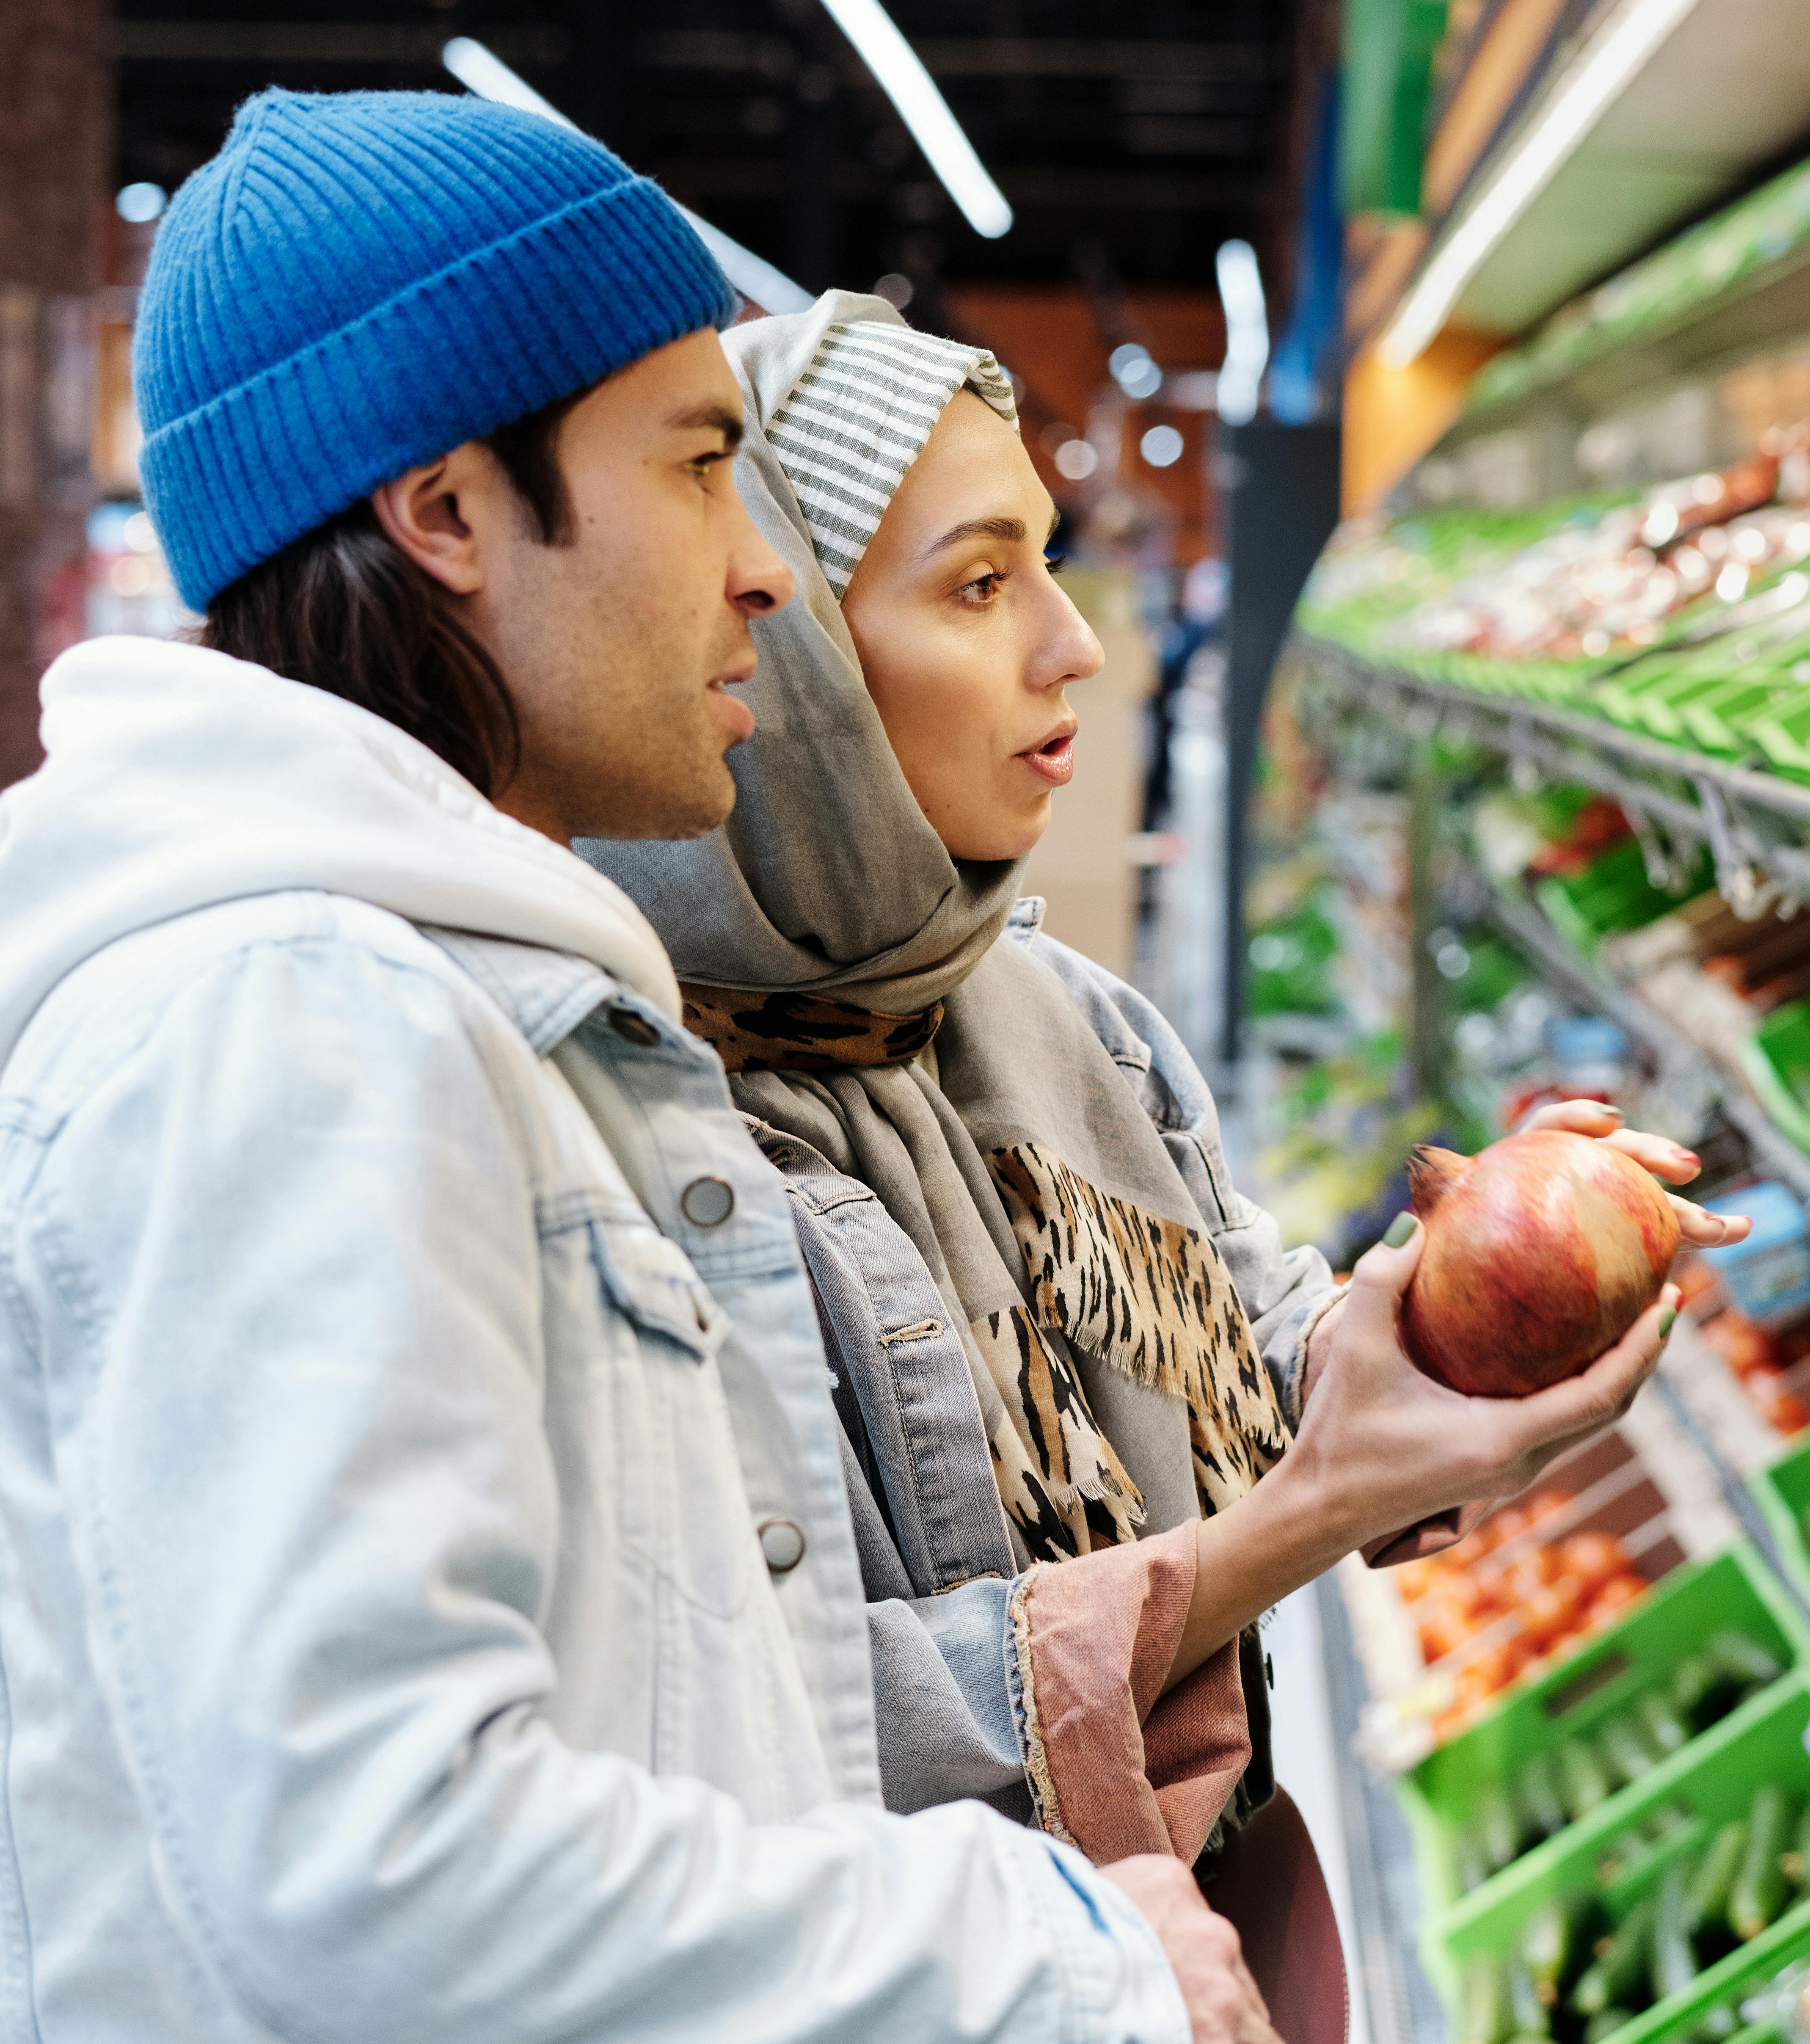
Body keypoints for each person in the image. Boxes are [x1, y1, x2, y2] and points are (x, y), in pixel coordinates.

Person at [0, 90, 1273, 2044]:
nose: (762, 572)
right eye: (702, 466)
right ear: (448, 510)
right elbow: (384, 1868)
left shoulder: (471, 1006)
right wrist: (1037, 1949)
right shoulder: (296, 1027)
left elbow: (651, 1724)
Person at [584, 294, 1740, 1871]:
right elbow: (768, 1736)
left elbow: (1252, 1359)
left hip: (1199, 1921)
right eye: (981, 584)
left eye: (1049, 564)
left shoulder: (1065, 1020)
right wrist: (1293, 1529)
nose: (1073, 644)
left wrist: (1458, 1300)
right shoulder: (623, 1151)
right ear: (784, 659)